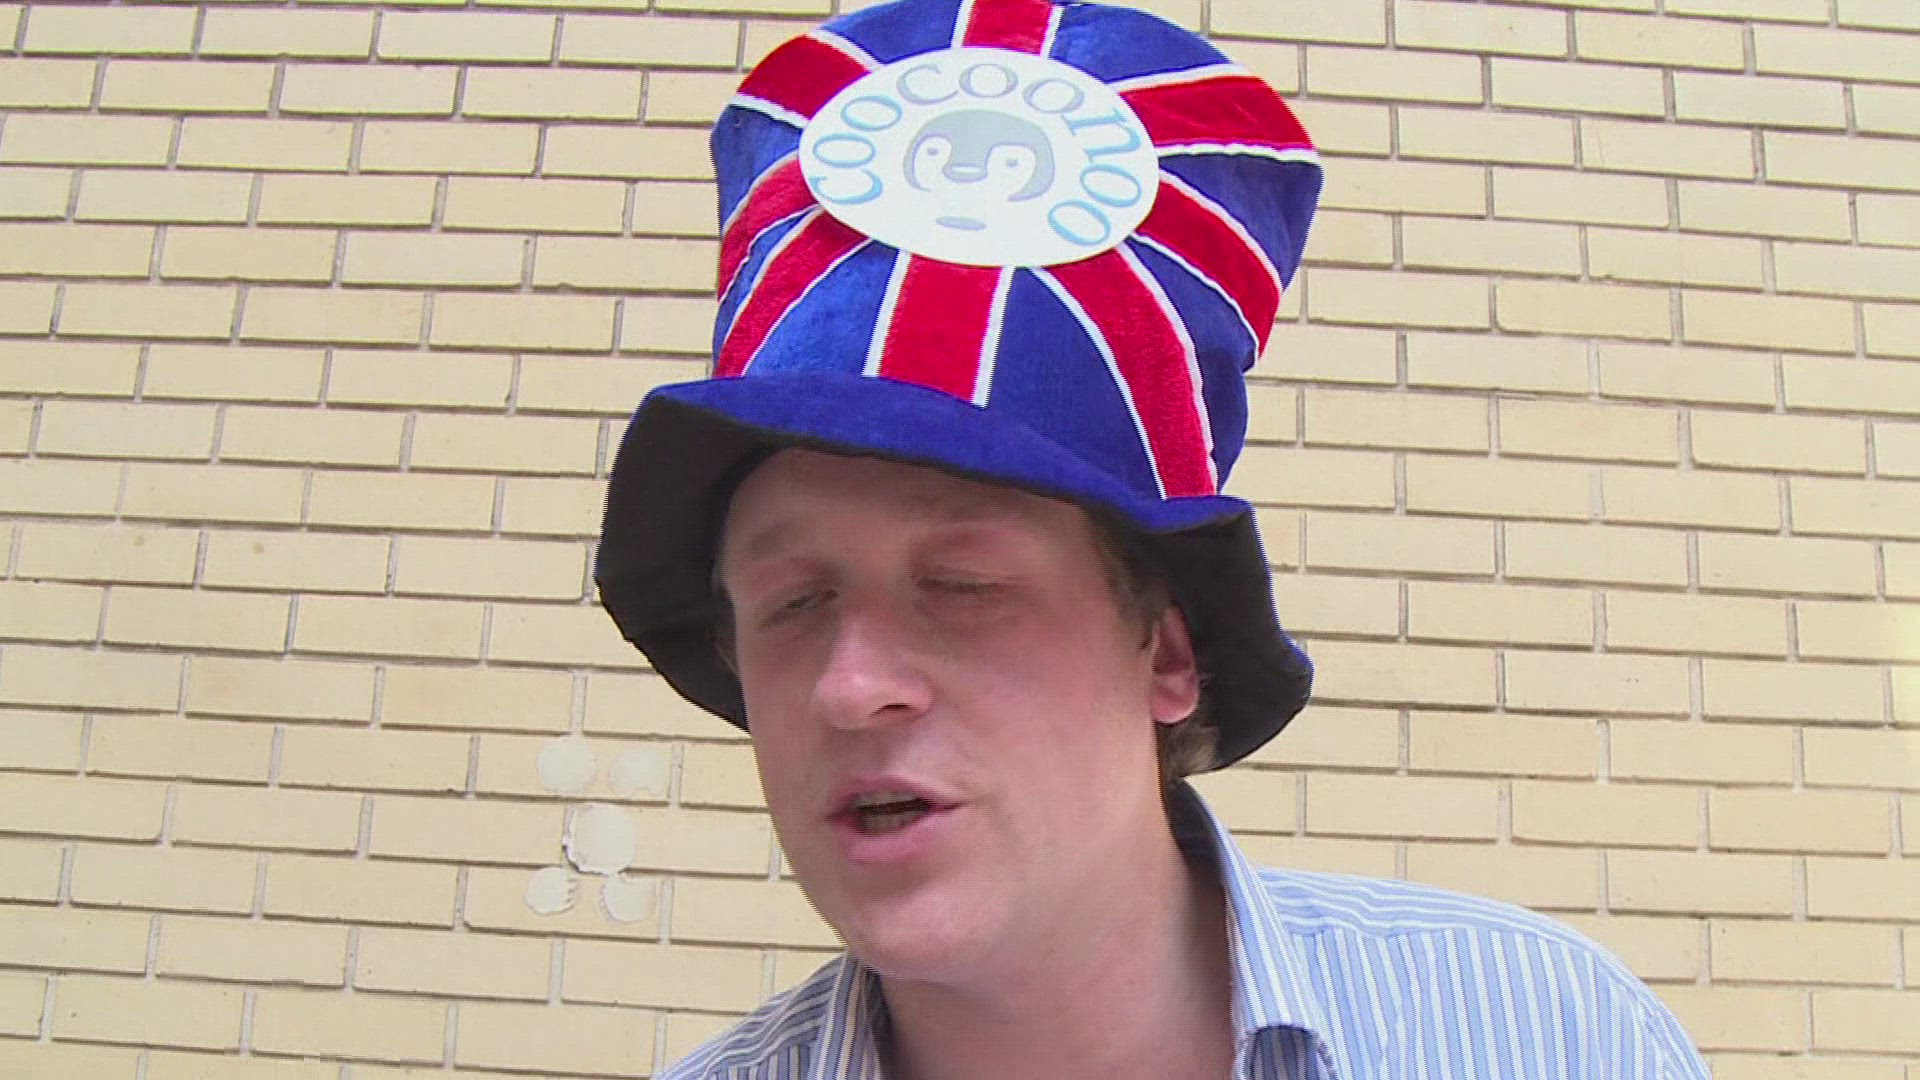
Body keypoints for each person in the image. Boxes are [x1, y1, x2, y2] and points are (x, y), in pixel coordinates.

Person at [594, 0, 1713, 1076]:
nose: (850, 687)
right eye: (793, 603)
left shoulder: (1546, 1037)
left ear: (1169, 653)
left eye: (963, 584)